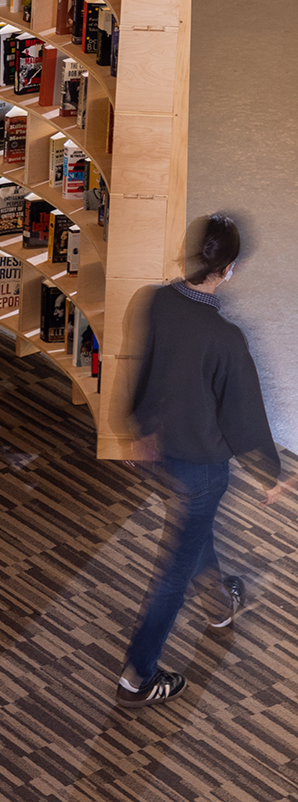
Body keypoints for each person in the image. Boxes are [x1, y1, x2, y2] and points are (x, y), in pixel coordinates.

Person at [116, 214, 281, 710]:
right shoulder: (225, 338)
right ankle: (137, 677)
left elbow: (140, 365)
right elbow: (244, 413)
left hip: (157, 454)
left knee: (194, 529)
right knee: (174, 571)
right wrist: (270, 472)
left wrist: (137, 428)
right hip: (202, 468)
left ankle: (221, 597)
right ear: (228, 268)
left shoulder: (155, 300)